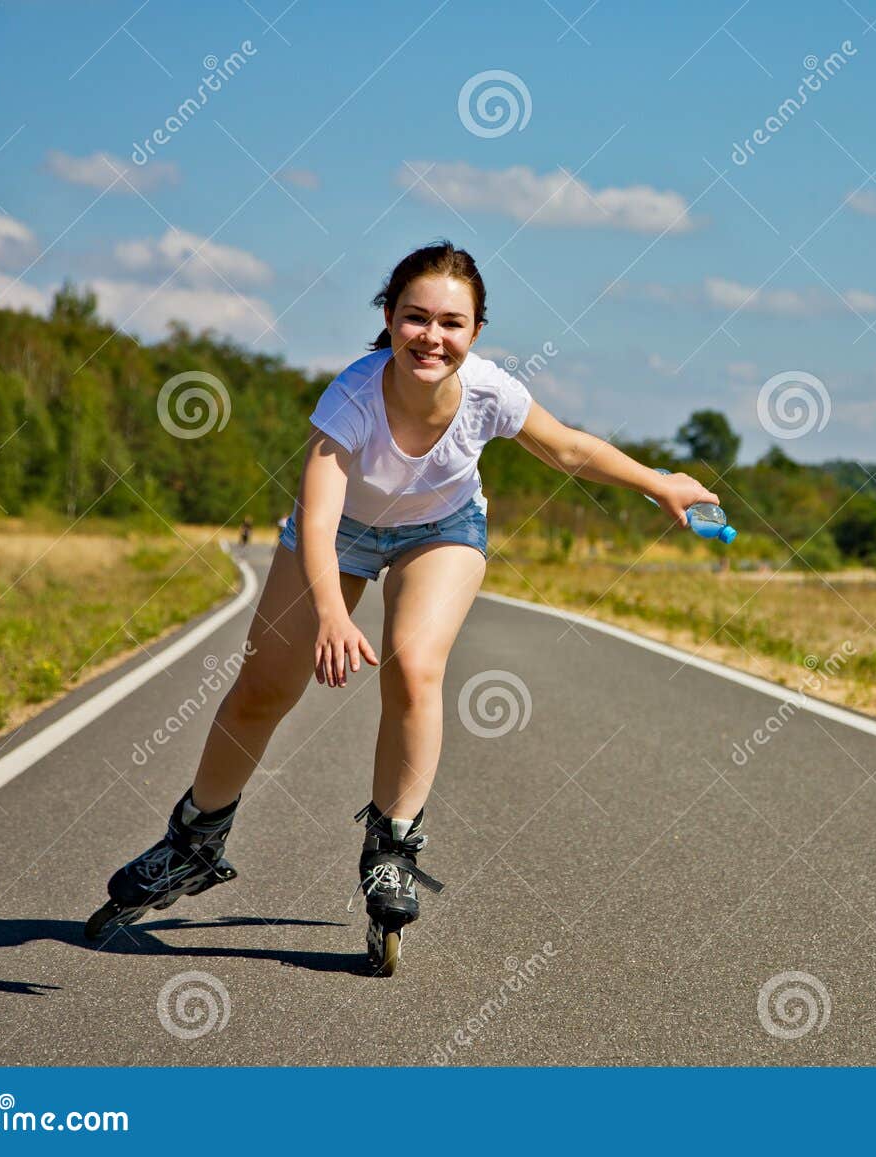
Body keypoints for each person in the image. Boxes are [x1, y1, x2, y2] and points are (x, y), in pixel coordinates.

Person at [86, 241, 720, 972]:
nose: (432, 335)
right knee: (264, 688)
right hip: (340, 534)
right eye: (415, 317)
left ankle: (392, 849)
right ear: (388, 319)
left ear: (475, 331)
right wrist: (331, 611)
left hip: (443, 527)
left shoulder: (490, 391)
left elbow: (570, 450)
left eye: (452, 322)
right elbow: (317, 522)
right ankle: (194, 839)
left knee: (415, 666)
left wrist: (660, 482)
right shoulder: (351, 400)